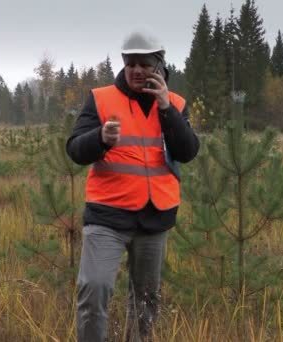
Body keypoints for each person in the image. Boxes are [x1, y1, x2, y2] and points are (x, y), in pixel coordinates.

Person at [66, 31, 200, 342]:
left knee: (146, 300)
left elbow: (187, 151)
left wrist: (166, 108)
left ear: (159, 64)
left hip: (155, 218)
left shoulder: (176, 103)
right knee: (94, 289)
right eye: (130, 63)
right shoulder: (100, 98)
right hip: (107, 217)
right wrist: (99, 138)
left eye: (144, 63)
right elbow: (74, 150)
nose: (137, 70)